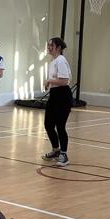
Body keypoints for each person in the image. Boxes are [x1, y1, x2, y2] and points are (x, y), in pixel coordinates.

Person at [42, 37, 73, 167]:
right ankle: (56, 150)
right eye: (48, 45)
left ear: (58, 47)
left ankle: (64, 155)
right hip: (54, 95)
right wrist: (49, 83)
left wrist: (49, 81)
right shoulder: (53, 61)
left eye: (51, 45)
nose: (49, 48)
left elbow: (64, 81)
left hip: (63, 96)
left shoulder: (60, 60)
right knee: (48, 124)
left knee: (60, 126)